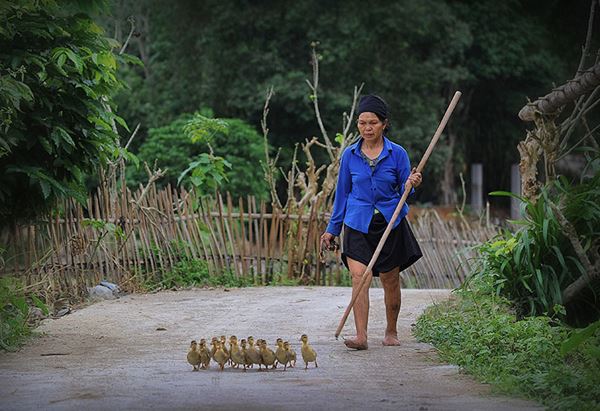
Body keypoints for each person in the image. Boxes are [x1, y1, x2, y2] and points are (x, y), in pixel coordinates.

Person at [320, 94, 423, 350]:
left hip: (390, 222)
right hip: (357, 222)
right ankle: (361, 336)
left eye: (373, 123)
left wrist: (411, 185)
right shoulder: (349, 156)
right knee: (359, 277)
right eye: (362, 123)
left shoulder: (397, 154)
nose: (367, 128)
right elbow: (342, 194)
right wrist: (332, 229)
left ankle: (390, 330)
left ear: (384, 124)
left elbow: (404, 190)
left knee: (390, 279)